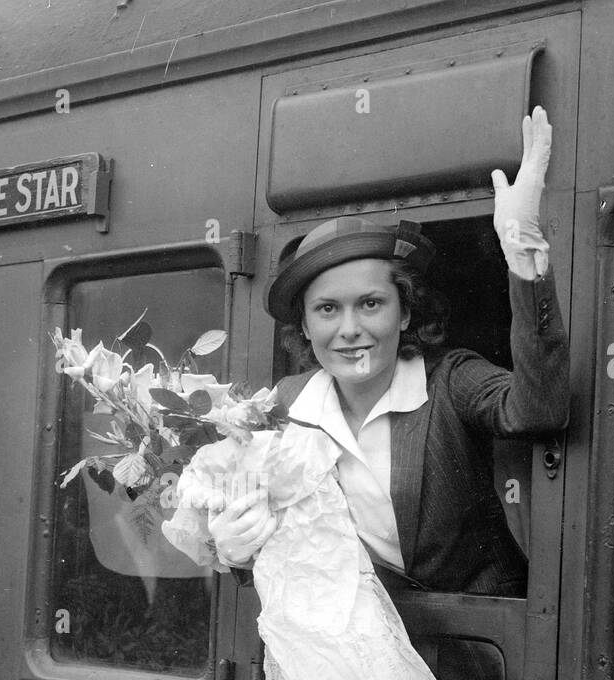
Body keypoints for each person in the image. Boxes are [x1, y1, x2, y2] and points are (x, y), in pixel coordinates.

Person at [209, 106, 569, 597]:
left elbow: (539, 409)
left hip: (480, 648)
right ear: (306, 326)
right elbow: (283, 545)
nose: (350, 329)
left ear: (404, 313)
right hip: (360, 648)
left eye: (371, 304)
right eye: (328, 309)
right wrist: (234, 553)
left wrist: (524, 255)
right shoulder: (284, 408)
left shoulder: (449, 381)